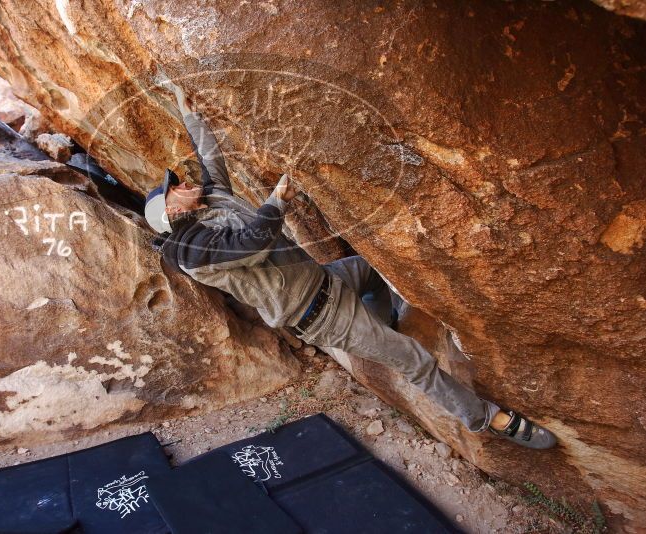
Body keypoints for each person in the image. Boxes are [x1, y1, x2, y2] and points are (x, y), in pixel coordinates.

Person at [145, 79, 557, 450]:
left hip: (329, 280)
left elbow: (210, 161)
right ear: (171, 215)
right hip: (322, 315)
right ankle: (487, 419)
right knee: (412, 359)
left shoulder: (210, 202)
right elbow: (251, 246)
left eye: (176, 181)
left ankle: (382, 322)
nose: (181, 184)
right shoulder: (192, 251)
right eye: (173, 190)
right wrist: (276, 203)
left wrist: (189, 112)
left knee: (378, 267)